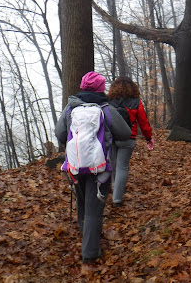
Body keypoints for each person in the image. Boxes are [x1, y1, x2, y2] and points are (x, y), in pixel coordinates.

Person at [55, 71, 131, 263]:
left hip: (75, 165)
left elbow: (60, 133)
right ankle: (90, 252)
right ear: (100, 88)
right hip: (100, 168)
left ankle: (87, 235)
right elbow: (125, 133)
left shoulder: (70, 108)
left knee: (83, 202)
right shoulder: (105, 109)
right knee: (94, 208)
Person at [108, 76, 154, 207]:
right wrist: (149, 138)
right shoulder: (136, 102)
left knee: (114, 165)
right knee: (122, 167)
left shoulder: (109, 101)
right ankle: (117, 198)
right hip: (128, 138)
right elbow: (143, 122)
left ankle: (114, 187)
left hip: (111, 138)